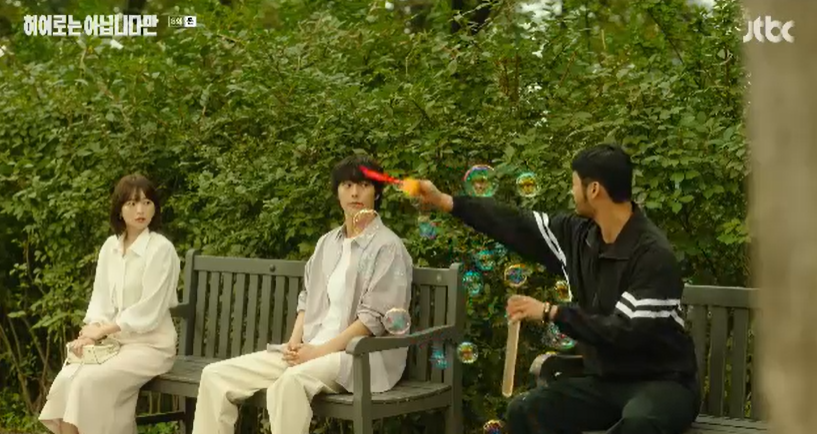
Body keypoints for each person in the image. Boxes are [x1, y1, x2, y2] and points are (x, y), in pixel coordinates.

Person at [412, 144, 700, 434]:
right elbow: (515, 223)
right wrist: (445, 201)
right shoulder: (578, 237)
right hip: (604, 384)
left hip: (663, 385)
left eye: (574, 184)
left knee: (639, 424)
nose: (571, 192)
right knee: (525, 410)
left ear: (594, 190)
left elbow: (624, 331)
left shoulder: (652, 255)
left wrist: (552, 312)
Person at [191, 154, 413, 434]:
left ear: (377, 192)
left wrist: (318, 352)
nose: (355, 193)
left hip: (358, 357)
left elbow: (373, 320)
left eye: (364, 185)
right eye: (347, 185)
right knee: (215, 376)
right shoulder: (327, 244)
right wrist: (294, 343)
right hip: (311, 349)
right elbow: (307, 298)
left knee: (288, 384)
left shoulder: (388, 247)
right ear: (337, 193)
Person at [39, 174, 180, 434]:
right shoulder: (110, 248)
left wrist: (103, 330)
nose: (140, 210)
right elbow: (100, 299)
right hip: (113, 346)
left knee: (86, 383)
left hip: (151, 347)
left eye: (147, 202)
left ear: (155, 207)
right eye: (132, 203)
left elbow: (149, 310)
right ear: (119, 209)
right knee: (67, 379)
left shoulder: (161, 250)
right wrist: (90, 334)